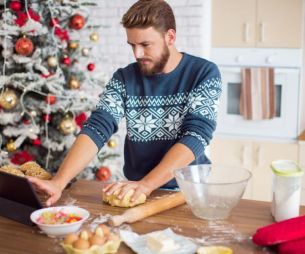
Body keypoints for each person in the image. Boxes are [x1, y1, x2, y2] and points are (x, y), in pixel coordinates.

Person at [29, 0, 222, 206]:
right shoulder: (124, 78)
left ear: (170, 37)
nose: (137, 54)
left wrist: (147, 185)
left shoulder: (204, 73)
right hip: (137, 189)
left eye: (145, 45)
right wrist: (59, 182)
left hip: (188, 192)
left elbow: (196, 135)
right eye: (132, 45)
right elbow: (97, 127)